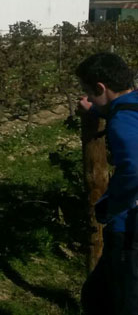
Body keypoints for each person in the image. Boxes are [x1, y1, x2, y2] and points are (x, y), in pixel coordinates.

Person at [77, 52, 138, 315]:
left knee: (123, 301)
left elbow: (134, 168)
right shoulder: (131, 106)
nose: (88, 97)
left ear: (101, 87)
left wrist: (113, 204)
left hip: (129, 228)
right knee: (96, 295)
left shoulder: (122, 124)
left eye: (89, 92)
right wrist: (98, 109)